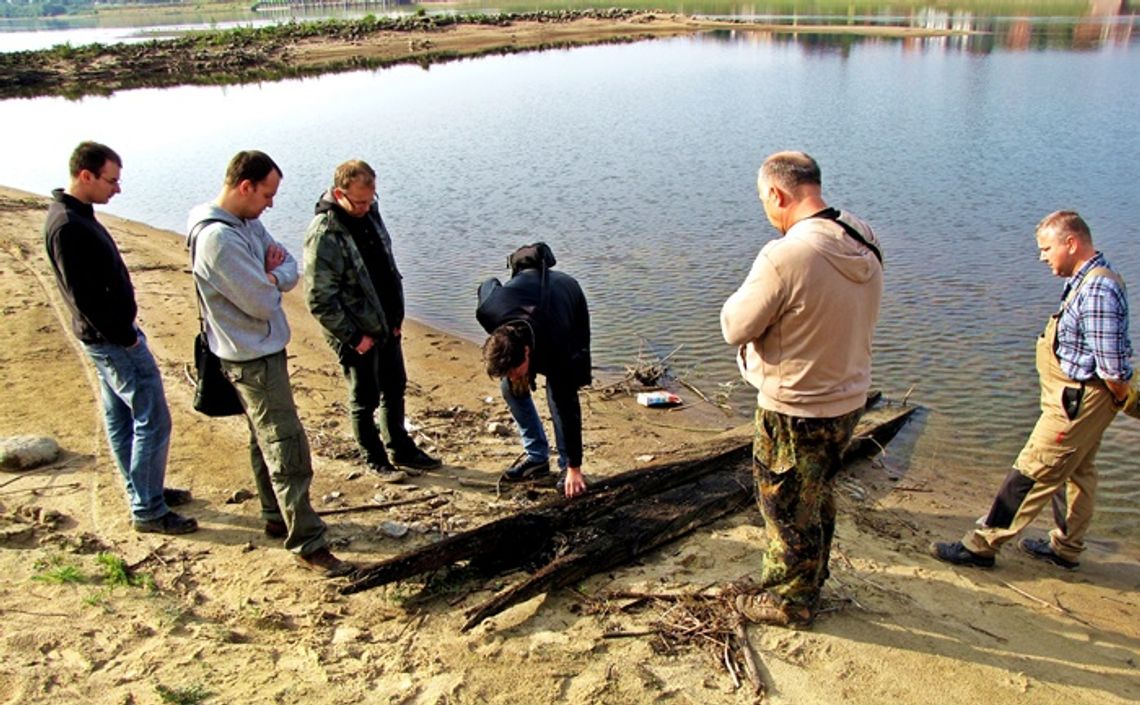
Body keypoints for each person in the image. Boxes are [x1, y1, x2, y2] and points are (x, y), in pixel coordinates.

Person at [721, 151, 883, 628]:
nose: (765, 211)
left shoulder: (785, 254)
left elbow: (734, 325)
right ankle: (813, 576)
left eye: (762, 200)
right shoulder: (861, 233)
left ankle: (790, 602)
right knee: (817, 491)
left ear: (778, 193)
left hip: (795, 405)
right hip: (848, 398)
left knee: (784, 504)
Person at [931, 211, 1133, 571]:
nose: (1042, 257)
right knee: (1077, 471)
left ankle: (981, 546)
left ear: (1071, 243)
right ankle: (1066, 548)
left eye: (1046, 248)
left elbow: (1113, 368)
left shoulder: (1098, 287)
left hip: (1077, 402)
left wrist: (1118, 396)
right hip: (1078, 398)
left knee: (1030, 470)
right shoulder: (1085, 280)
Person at [187, 150, 351, 578]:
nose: (271, 204)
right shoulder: (219, 239)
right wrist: (270, 277)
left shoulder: (245, 223)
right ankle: (309, 544)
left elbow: (288, 263)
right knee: (286, 445)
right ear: (244, 187)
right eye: (267, 193)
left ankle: (276, 516)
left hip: (255, 350)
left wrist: (270, 273)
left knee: (264, 439)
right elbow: (261, 300)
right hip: (250, 356)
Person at [43, 141, 198, 536]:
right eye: (111, 180)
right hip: (112, 341)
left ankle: (143, 490)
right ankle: (148, 508)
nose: (117, 188)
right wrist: (126, 336)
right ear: (86, 176)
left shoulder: (76, 215)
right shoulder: (67, 225)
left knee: (120, 416)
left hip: (106, 339)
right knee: (153, 419)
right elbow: (85, 297)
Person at [302, 159, 440, 482]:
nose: (367, 206)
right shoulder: (324, 234)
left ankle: (401, 448)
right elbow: (319, 299)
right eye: (360, 201)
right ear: (339, 193)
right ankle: (374, 458)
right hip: (355, 334)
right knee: (364, 398)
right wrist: (353, 337)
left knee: (395, 387)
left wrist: (396, 316)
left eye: (371, 199)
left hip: (386, 325)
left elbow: (383, 265)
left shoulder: (369, 213)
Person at [476, 242, 591, 498]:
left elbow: (567, 405)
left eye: (517, 370)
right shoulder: (489, 311)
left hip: (568, 306)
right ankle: (537, 457)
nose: (515, 376)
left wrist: (575, 466)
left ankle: (564, 466)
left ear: (527, 353)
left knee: (559, 391)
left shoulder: (556, 338)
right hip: (528, 301)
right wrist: (515, 376)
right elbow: (488, 283)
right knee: (510, 388)